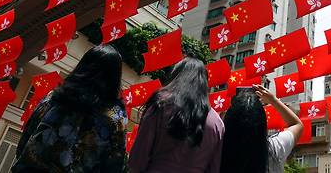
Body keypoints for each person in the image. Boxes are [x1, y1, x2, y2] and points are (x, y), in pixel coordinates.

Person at [12, 44, 127, 172]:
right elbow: (115, 164)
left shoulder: (54, 97)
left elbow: (28, 132)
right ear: (115, 78)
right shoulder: (115, 117)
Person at [128, 57, 224, 173]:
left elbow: (137, 160)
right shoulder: (217, 123)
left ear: (176, 76)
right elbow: (214, 168)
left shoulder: (161, 105)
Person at [221, 84, 304, 173]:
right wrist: (273, 100)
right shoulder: (275, 149)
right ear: (263, 122)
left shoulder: (217, 149)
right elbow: (297, 124)